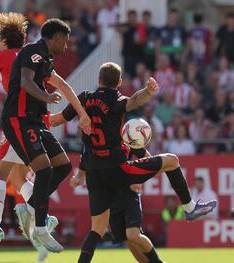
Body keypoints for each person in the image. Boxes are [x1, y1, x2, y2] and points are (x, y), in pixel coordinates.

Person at [50, 62, 216, 263]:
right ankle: (190, 209)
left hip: (95, 174)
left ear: (98, 80)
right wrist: (148, 91)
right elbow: (135, 101)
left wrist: (33, 119)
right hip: (117, 168)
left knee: (96, 230)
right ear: (119, 82)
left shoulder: (83, 99)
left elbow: (57, 120)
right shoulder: (116, 101)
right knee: (172, 161)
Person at [1, 18, 91, 253]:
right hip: (19, 119)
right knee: (44, 169)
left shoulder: (47, 59)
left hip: (36, 121)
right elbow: (25, 82)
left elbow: (60, 86)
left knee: (62, 166)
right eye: (66, 41)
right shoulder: (33, 51)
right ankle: (40, 228)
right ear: (58, 37)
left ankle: (29, 206)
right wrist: (47, 97)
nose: (67, 46)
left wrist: (80, 114)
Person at [0, 13, 57, 260]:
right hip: (38, 119)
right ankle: (44, 215)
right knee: (18, 175)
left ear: (3, 38)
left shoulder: (1, 56)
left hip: (17, 120)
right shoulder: (31, 56)